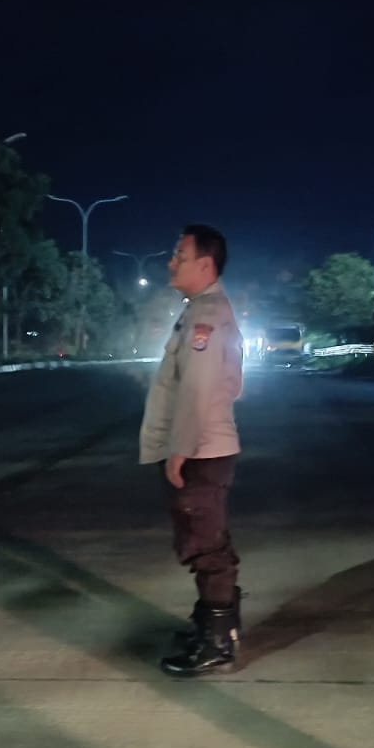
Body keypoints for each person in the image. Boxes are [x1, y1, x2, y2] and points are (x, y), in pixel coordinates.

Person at [140, 225, 245, 676]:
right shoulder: (199, 310)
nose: (171, 263)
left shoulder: (207, 316)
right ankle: (215, 625)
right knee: (204, 540)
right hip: (203, 447)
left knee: (206, 546)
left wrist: (180, 449)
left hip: (201, 451)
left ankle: (217, 643)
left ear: (205, 264)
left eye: (179, 256)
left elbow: (198, 389)